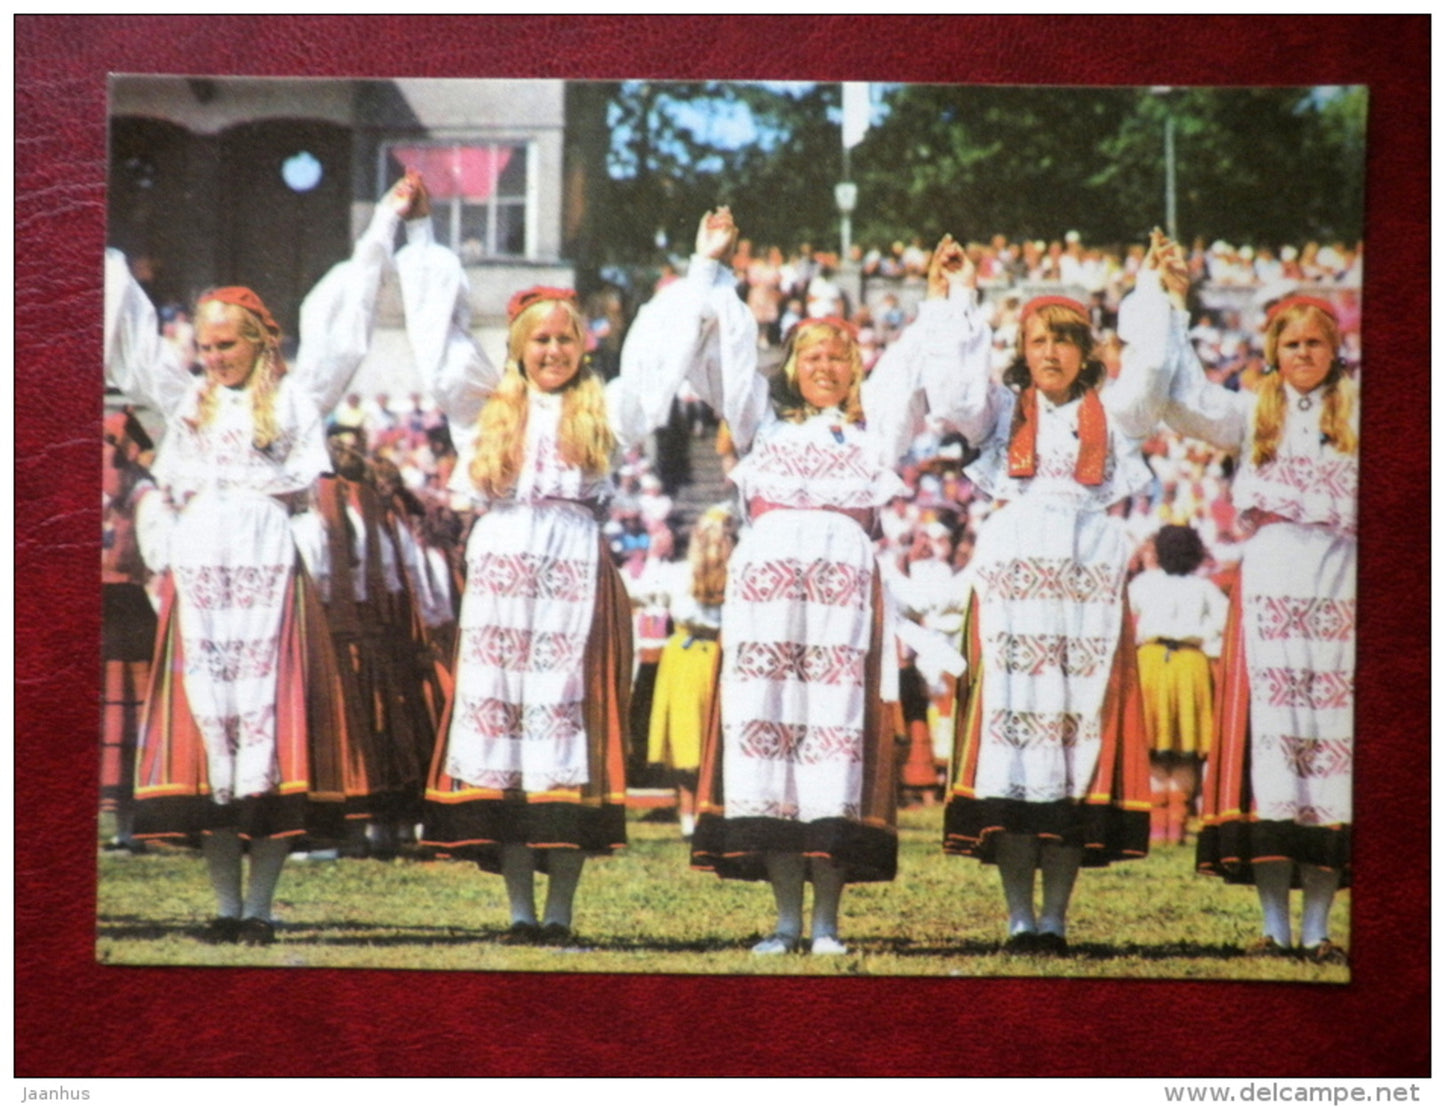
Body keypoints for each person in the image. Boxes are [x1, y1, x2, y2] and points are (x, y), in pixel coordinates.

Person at [625, 208, 989, 955]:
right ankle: (785, 917)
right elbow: (723, 346)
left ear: (856, 369)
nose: (825, 364)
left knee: (830, 753)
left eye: (839, 355)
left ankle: (826, 922)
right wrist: (711, 264)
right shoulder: (761, 426)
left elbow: (918, 358)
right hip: (767, 611)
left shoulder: (871, 431)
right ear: (790, 366)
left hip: (839, 613)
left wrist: (946, 297)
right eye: (811, 354)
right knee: (773, 751)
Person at [102, 173, 422, 944]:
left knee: (273, 747)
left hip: (271, 582)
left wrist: (383, 221)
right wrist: (97, 240)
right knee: (206, 754)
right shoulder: (182, 404)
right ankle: (223, 903)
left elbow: (345, 324)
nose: (213, 357)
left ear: (258, 340)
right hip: (204, 582)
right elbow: (130, 333)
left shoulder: (295, 396)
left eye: (227, 344)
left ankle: (263, 906)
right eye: (205, 345)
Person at [396, 177, 666, 946]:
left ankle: (561, 912)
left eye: (564, 338)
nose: (552, 350)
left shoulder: (605, 408)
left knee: (564, 729)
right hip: (505, 576)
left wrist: (704, 273)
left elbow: (656, 364)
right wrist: (418, 239)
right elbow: (439, 342)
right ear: (518, 348)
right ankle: (519, 912)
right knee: (509, 733)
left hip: (573, 574)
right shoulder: (484, 406)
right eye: (538, 340)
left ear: (583, 344)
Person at [930, 229, 1184, 955]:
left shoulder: (1115, 415)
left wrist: (1154, 290)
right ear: (1024, 347)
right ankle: (1018, 917)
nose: (1050, 353)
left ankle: (1057, 917)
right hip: (1014, 585)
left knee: (1073, 741)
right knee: (1014, 743)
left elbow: (1157, 367)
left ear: (1083, 350)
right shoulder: (999, 412)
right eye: (1039, 339)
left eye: (1064, 341)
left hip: (1086, 588)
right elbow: (951, 391)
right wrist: (957, 293)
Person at [1163, 294, 1357, 965]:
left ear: (1333, 349)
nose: (1302, 354)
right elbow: (1184, 397)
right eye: (1290, 343)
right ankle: (1274, 924)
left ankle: (1319, 927)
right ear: (1271, 349)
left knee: (1329, 749)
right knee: (1273, 748)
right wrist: (1166, 303)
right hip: (1272, 580)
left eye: (1314, 343)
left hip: (1340, 584)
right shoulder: (1251, 413)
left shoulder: (1360, 410)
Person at [1127, 524, 1229, 845]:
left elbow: (1126, 621)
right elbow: (1224, 625)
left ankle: (1158, 827)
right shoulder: (1205, 588)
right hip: (1190, 664)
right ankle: (1178, 824)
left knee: (1156, 745)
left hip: (1152, 663)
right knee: (1185, 748)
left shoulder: (1143, 584)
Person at [646, 505, 738, 838]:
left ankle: (689, 818)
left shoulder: (677, 573)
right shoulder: (737, 574)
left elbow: (645, 592)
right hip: (717, 654)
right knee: (713, 737)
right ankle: (712, 813)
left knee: (687, 740)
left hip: (685, 656)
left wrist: (655, 557)